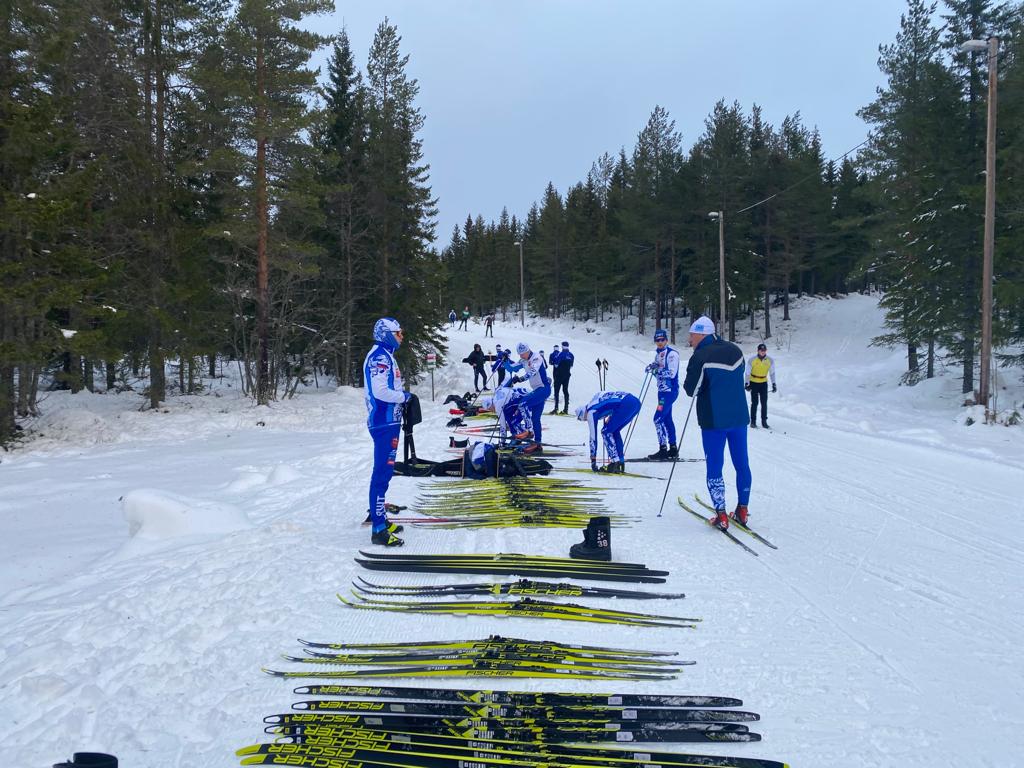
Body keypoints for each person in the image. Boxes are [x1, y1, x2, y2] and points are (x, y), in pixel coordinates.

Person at [681, 316, 752, 531]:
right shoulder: (735, 350)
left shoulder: (700, 356)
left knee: (715, 465)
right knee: (742, 463)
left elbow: (691, 390)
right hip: (739, 417)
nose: (690, 339)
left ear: (701, 334)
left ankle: (721, 514)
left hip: (714, 420)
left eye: (692, 335)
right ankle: (742, 509)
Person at [363, 317, 410, 546]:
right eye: (399, 332)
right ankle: (378, 529)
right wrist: (404, 397)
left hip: (390, 420)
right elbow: (380, 390)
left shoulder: (385, 355)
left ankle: (381, 517)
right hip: (383, 421)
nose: (402, 336)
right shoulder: (380, 356)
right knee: (381, 473)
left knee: (386, 473)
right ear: (387, 334)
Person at [576, 391, 642, 474]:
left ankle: (615, 462)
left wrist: (593, 460)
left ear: (582, 414)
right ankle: (620, 461)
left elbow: (593, 438)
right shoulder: (594, 400)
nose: (586, 420)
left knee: (605, 432)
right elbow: (610, 400)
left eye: (584, 419)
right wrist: (611, 416)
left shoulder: (590, 412)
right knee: (614, 431)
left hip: (625, 404)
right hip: (635, 402)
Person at [644, 328, 680, 460]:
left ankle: (663, 449)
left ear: (666, 340)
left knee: (658, 418)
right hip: (662, 392)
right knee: (667, 418)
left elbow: (671, 373)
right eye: (657, 340)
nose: (659, 342)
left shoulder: (672, 355)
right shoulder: (658, 355)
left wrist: (657, 370)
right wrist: (652, 369)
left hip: (669, 392)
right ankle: (673, 448)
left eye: (662, 340)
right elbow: (658, 374)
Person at [508, 342, 551, 447]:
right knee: (535, 418)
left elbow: (533, 371)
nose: (520, 356)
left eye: (522, 354)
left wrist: (521, 378)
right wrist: (503, 360)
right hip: (537, 390)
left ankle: (529, 431)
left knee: (522, 404)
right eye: (519, 354)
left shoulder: (537, 357)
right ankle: (537, 443)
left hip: (543, 388)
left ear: (527, 351)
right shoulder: (523, 360)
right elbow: (512, 368)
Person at [745, 342, 777, 429]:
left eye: (764, 350)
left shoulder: (770, 360)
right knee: (754, 403)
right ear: (758, 351)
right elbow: (747, 373)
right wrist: (747, 383)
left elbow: (772, 373)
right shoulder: (752, 360)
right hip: (754, 382)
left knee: (764, 403)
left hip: (763, 383)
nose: (763, 352)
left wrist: (774, 384)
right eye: (761, 350)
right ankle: (753, 422)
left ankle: (764, 422)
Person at [550, 340, 574, 415]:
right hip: (567, 375)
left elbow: (556, 364)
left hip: (559, 375)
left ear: (562, 346)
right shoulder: (571, 355)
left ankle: (556, 408)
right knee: (565, 390)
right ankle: (566, 409)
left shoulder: (560, 354)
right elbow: (571, 365)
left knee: (556, 391)